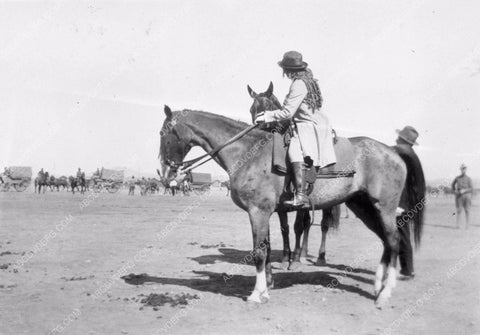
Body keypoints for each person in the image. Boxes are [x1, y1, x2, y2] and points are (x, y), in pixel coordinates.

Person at [255, 50, 336, 207]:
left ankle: (301, 195)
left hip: (309, 125)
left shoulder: (298, 84)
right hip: (313, 121)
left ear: (287, 70)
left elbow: (287, 112)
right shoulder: (307, 80)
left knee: (294, 150)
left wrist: (266, 116)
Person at [394, 126, 425, 279]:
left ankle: (408, 270)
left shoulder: (404, 153)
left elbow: (407, 184)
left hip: (402, 203)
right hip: (404, 203)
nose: (396, 139)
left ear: (404, 141)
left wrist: (401, 205)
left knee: (403, 235)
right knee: (401, 234)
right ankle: (405, 269)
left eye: (399, 138)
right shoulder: (409, 154)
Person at [452, 163, 473, 229]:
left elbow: (471, 188)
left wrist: (465, 190)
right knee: (459, 210)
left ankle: (467, 225)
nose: (463, 170)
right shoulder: (457, 178)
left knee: (467, 210)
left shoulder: (469, 178)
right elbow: (452, 185)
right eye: (462, 169)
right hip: (459, 196)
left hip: (467, 196)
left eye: (464, 169)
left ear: (466, 170)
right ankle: (458, 225)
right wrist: (454, 191)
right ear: (460, 170)